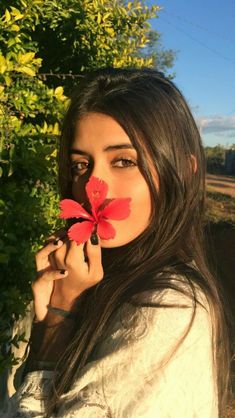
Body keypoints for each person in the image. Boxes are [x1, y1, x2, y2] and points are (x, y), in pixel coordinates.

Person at [2, 67, 232, 417]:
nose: (95, 186)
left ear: (185, 170)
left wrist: (54, 330)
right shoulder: (100, 279)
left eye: (124, 161)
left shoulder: (165, 309)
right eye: (80, 165)